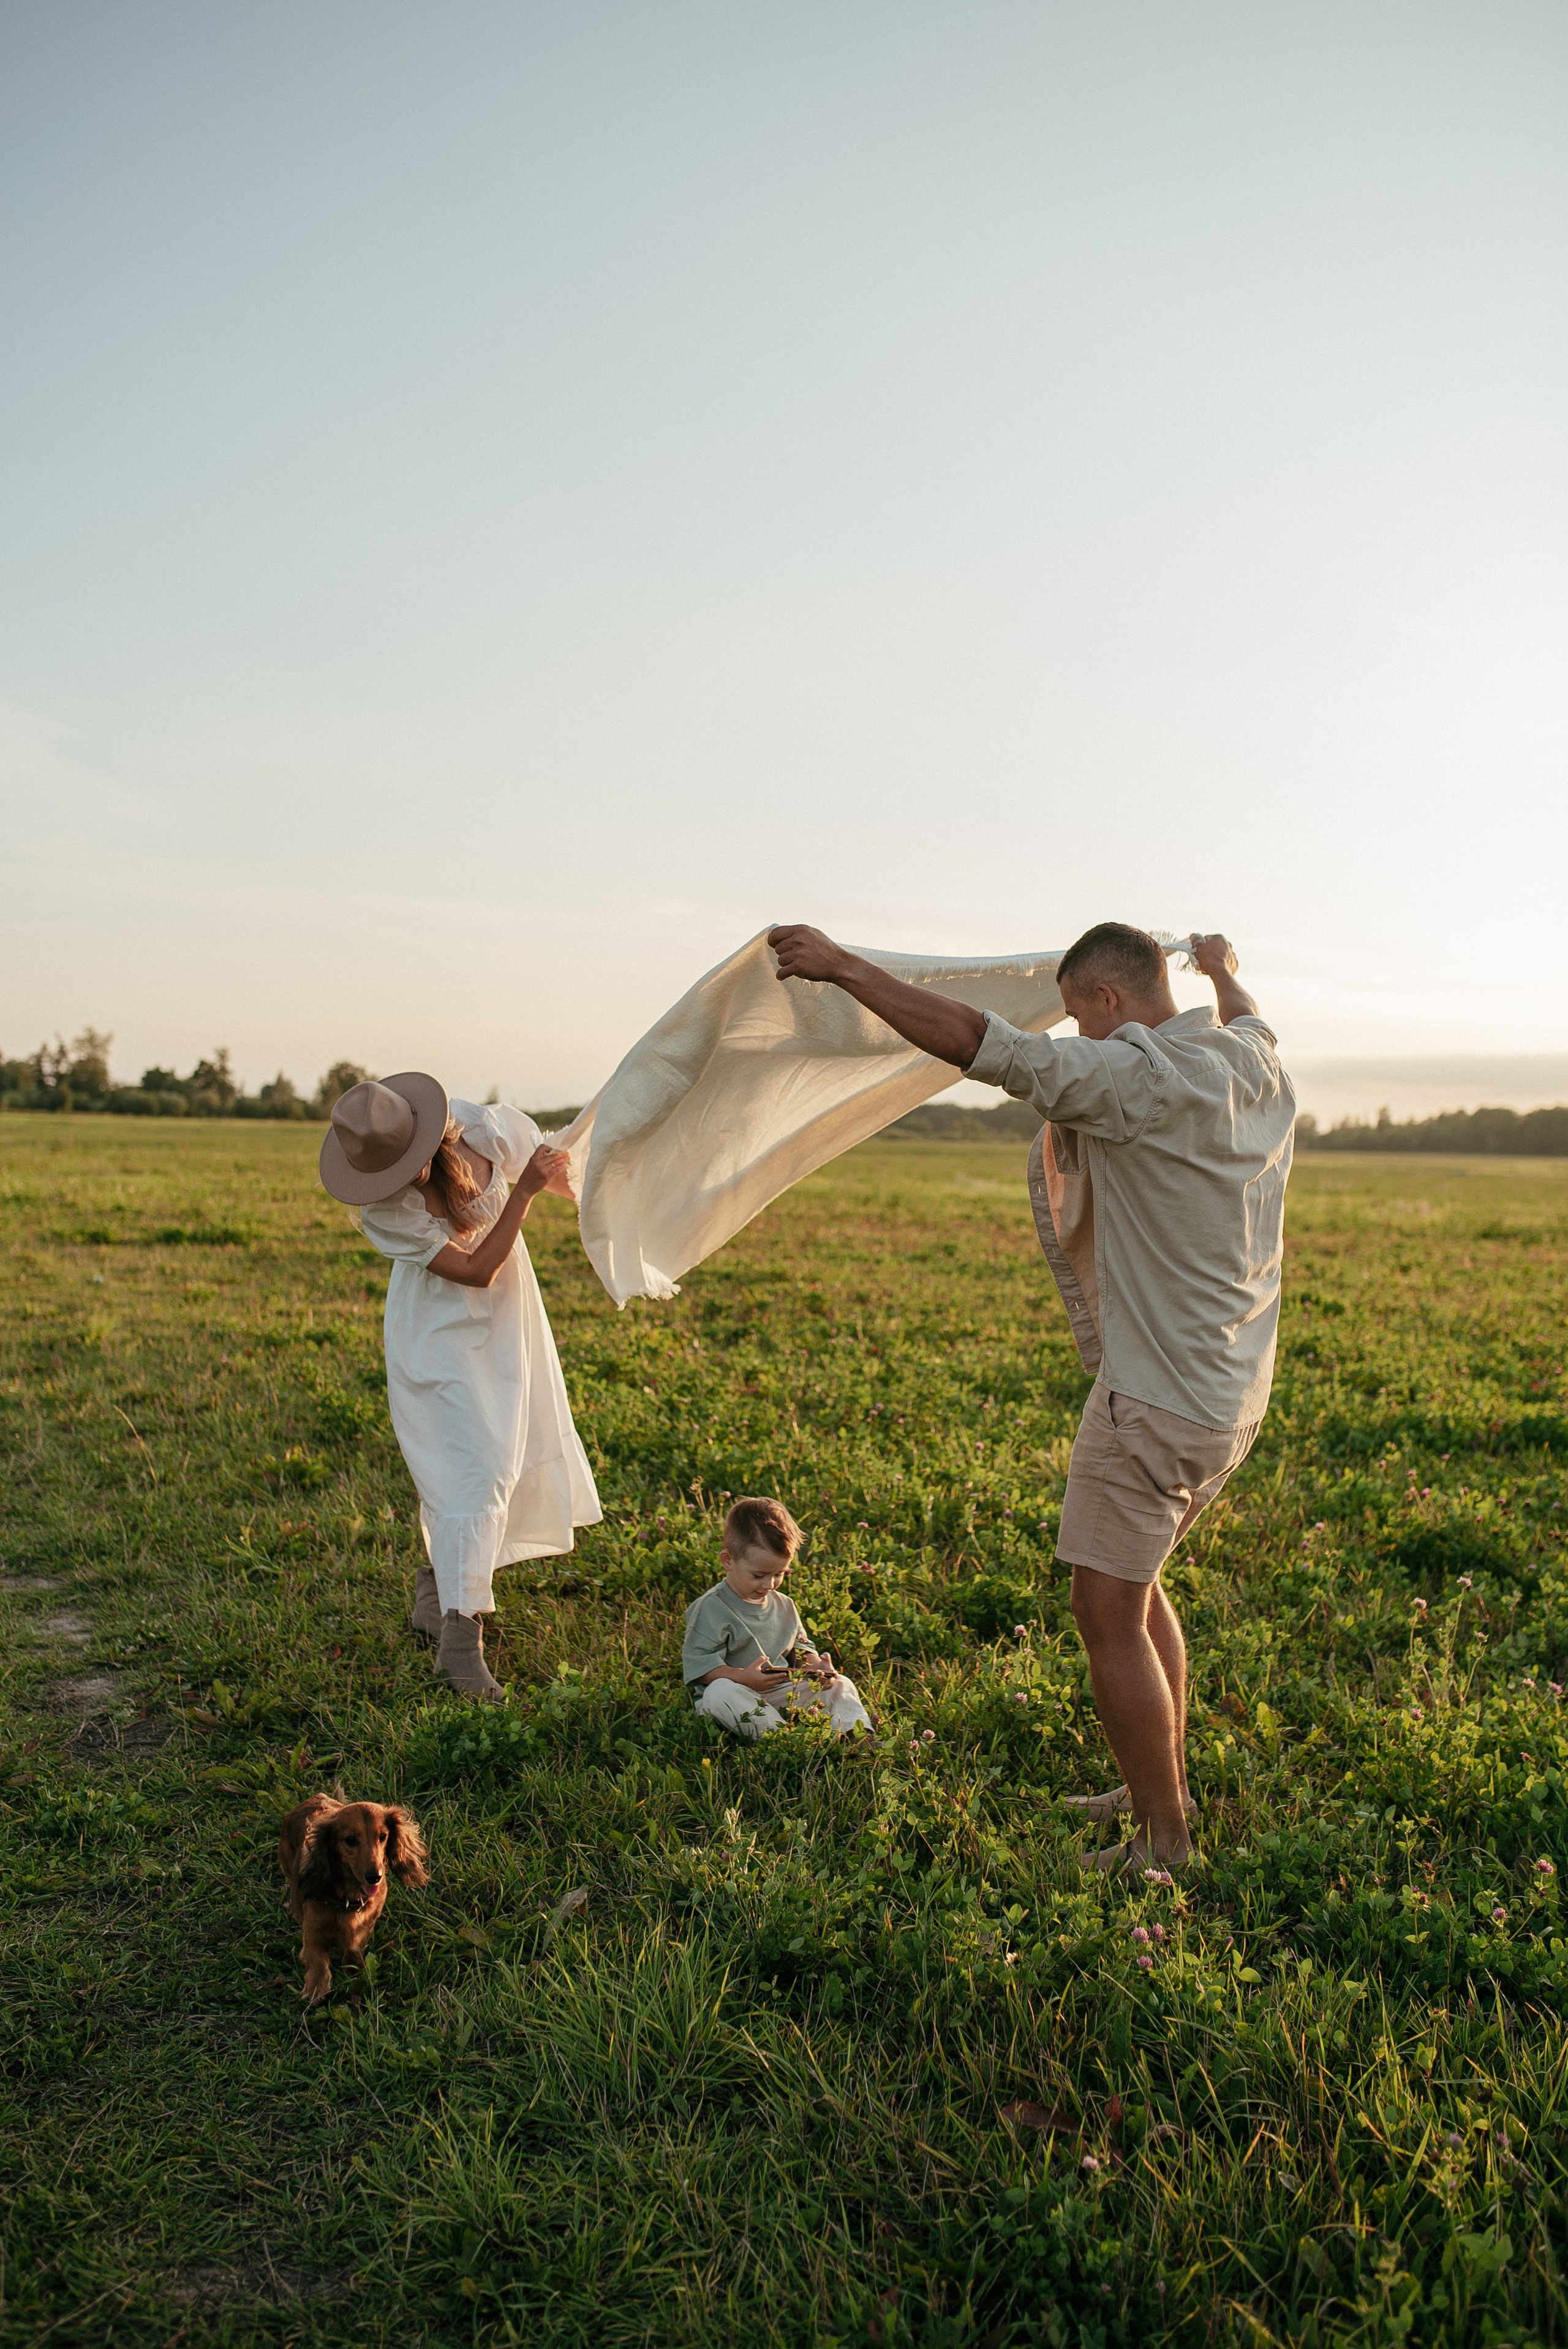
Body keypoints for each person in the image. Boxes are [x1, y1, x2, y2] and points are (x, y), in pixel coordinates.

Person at [766, 921, 1295, 1871]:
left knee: (1107, 1615)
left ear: (1107, 1000)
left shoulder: (1132, 1075)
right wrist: (1221, 970)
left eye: (1080, 1016)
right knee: (1138, 1586)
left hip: (1155, 1399)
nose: (1078, 1036)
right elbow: (1247, 1012)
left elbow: (984, 1044)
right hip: (1232, 1396)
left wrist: (844, 966)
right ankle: (1160, 1789)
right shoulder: (1250, 1056)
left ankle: (1165, 1841)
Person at [318, 1074, 601, 1699]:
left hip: (504, 1326)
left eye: (412, 1160)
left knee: (491, 1462)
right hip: (436, 1334)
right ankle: (459, 1645)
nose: (409, 1177)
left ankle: (436, 1594)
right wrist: (522, 1194)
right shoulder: (385, 1212)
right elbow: (475, 1270)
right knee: (474, 1471)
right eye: (390, 1171)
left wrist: (601, 1193)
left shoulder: (488, 1130)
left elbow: (567, 1179)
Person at [684, 1496, 873, 1740]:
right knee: (719, 1692)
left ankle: (855, 1736)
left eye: (780, 1574)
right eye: (759, 1575)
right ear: (728, 1561)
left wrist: (817, 1669)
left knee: (841, 1684)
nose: (770, 1584)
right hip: (737, 1692)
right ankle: (782, 1739)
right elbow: (701, 1667)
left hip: (783, 1692)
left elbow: (800, 1650)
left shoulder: (785, 1605)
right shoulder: (711, 1608)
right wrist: (743, 1677)